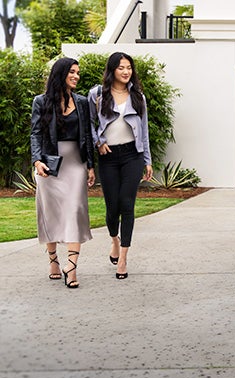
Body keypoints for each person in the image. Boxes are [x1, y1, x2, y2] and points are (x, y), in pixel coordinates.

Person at [30, 57, 96, 289]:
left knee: (75, 210)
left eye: (78, 72)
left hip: (75, 163)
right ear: (61, 73)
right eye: (72, 72)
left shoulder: (82, 101)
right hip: (49, 164)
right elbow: (36, 133)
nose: (76, 76)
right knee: (51, 213)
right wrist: (37, 160)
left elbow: (87, 134)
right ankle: (53, 262)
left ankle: (72, 266)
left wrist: (90, 165)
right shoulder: (41, 101)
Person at [89, 52, 153, 280]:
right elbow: (90, 124)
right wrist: (99, 141)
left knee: (127, 204)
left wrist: (147, 160)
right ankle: (114, 240)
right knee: (111, 207)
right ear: (112, 70)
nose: (126, 72)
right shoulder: (97, 94)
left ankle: (124, 258)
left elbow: (143, 130)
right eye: (121, 68)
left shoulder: (138, 98)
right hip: (108, 157)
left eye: (129, 68)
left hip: (131, 156)